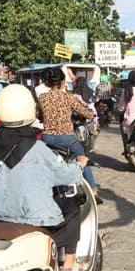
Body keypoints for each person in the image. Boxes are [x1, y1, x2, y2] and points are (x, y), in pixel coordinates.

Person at [0, 84, 88, 271]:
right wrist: (80, 164)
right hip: (36, 217)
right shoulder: (38, 149)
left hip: (0, 215)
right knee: (73, 206)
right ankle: (68, 265)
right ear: (29, 109)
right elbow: (66, 175)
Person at [37, 68, 102, 204]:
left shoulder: (42, 98)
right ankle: (94, 192)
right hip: (67, 139)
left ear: (47, 83)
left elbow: (37, 115)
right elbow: (84, 112)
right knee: (83, 159)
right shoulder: (67, 97)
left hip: (47, 139)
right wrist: (91, 114)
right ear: (62, 82)